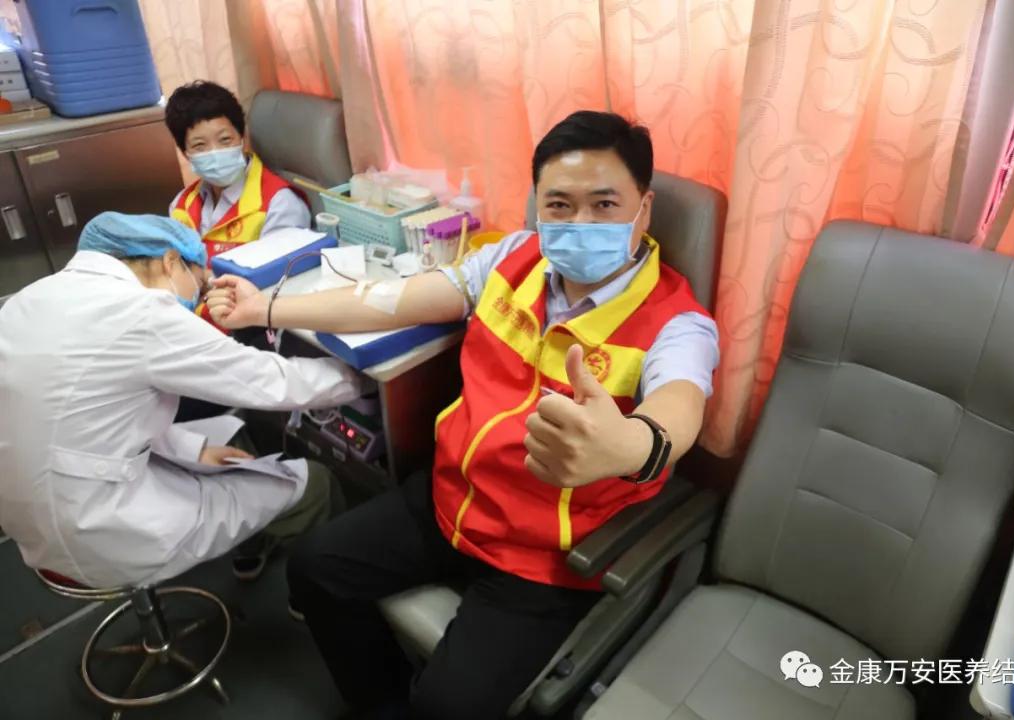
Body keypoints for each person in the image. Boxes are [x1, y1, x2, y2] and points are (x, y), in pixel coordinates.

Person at [207, 111, 721, 719]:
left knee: (448, 705)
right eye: (559, 205)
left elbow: (678, 407)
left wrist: (634, 447)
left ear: (644, 208)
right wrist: (267, 306)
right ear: (537, 206)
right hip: (453, 497)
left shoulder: (677, 323)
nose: (580, 224)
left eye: (604, 205)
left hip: (544, 555)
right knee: (316, 569)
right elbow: (391, 300)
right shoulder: (513, 258)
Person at [0, 213, 360, 591]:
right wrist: (359, 377)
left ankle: (253, 542)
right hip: (101, 531)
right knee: (314, 483)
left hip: (32, 518)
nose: (198, 299)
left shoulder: (27, 300)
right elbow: (270, 382)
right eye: (201, 285)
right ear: (172, 261)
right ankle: (315, 598)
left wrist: (194, 450)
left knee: (229, 435)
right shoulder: (142, 313)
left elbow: (89, 418)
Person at [165, 80, 310, 265]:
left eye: (225, 140)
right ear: (186, 153)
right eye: (200, 145)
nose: (215, 153)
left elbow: (278, 272)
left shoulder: (279, 204)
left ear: (243, 138)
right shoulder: (180, 206)